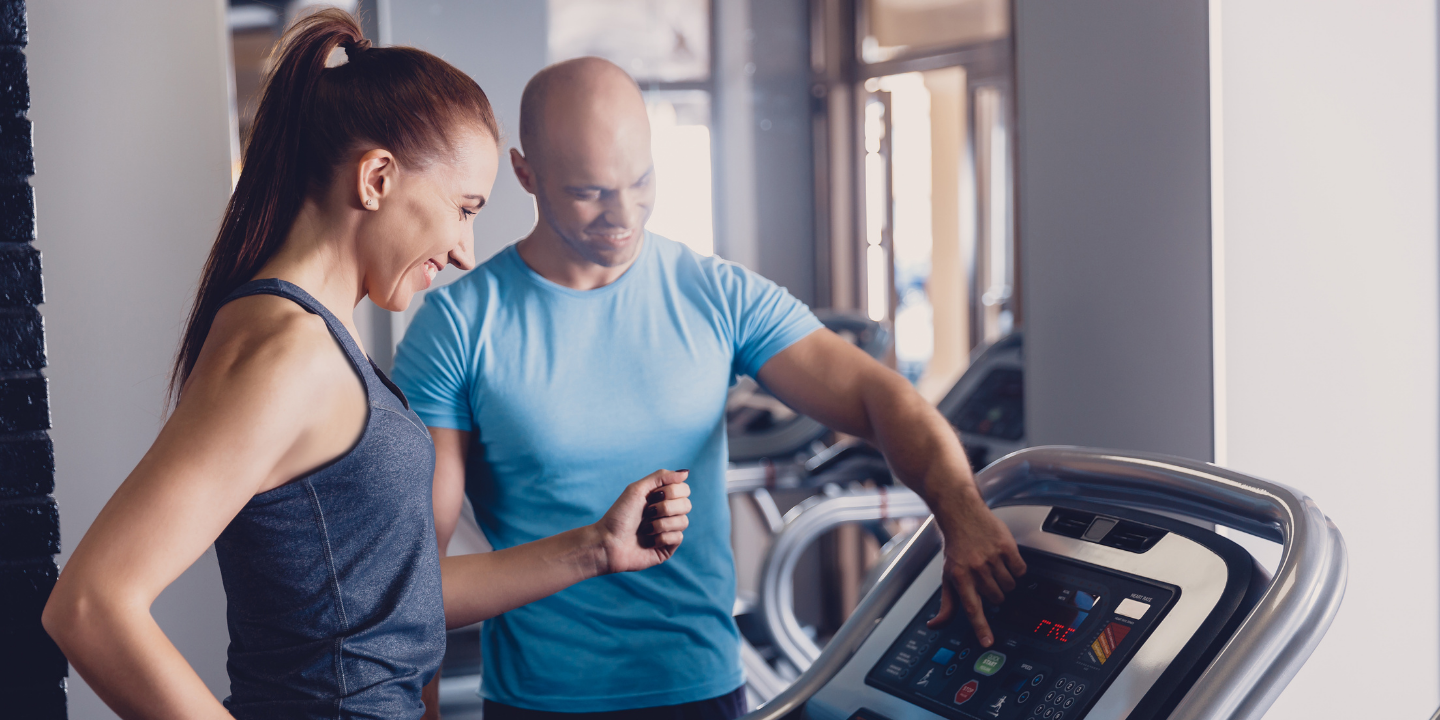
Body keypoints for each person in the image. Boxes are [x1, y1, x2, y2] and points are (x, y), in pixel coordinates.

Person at [42, 13, 691, 720]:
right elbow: (91, 604)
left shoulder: (315, 340)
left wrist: (594, 548)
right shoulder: (284, 351)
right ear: (378, 176)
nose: (467, 250)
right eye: (464, 207)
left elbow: (392, 608)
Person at [392, 57, 1027, 720]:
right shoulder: (458, 324)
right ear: (526, 173)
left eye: (640, 182)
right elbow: (416, 573)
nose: (622, 213)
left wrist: (962, 513)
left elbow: (880, 396)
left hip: (699, 690)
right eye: (589, 192)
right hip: (541, 703)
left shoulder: (715, 293)